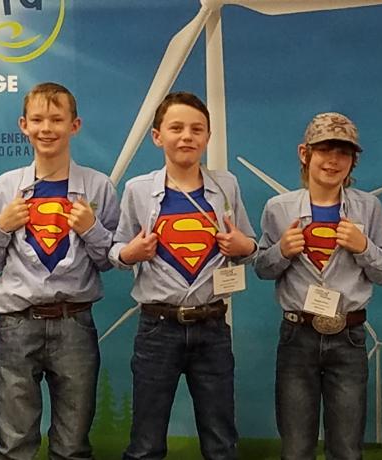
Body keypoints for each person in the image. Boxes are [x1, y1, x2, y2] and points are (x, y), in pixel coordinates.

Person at [111, 91, 258, 460]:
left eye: (197, 129)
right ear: (157, 136)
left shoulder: (228, 186)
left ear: (208, 137)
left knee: (221, 438)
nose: (186, 136)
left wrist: (246, 247)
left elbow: (248, 246)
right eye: (176, 128)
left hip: (212, 326)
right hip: (158, 327)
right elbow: (115, 249)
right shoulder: (138, 190)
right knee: (146, 440)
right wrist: (131, 253)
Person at [0, 82, 120, 460]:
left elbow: (108, 260)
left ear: (75, 126)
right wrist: (2, 227)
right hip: (15, 325)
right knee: (13, 444)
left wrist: (92, 228)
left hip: (74, 323)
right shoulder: (5, 188)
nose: (47, 128)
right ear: (23, 125)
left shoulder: (98, 187)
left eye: (57, 119)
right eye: (38, 119)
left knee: (73, 446)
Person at [254, 112, 382, 459]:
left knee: (347, 449)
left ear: (353, 161)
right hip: (296, 337)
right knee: (296, 447)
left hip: (348, 338)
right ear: (305, 153)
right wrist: (281, 252)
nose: (333, 161)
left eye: (344, 153)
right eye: (325, 150)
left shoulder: (369, 207)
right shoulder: (278, 208)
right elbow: (261, 268)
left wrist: (364, 248)